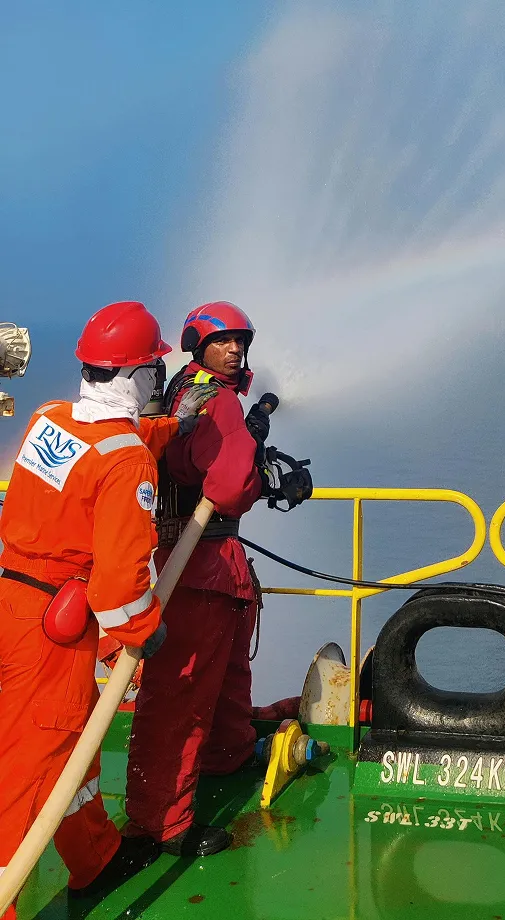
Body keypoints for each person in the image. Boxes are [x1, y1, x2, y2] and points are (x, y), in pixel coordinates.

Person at [0, 301, 214, 916]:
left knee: (73, 751)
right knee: (28, 760)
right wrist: (144, 631)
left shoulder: (52, 418)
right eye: (154, 372)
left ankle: (94, 855)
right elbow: (119, 589)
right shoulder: (127, 464)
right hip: (52, 631)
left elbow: (109, 440)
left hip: (15, 598)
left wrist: (176, 424)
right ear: (141, 375)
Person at [124, 302, 266, 858]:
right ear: (198, 344)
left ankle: (227, 752)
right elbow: (231, 487)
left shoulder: (184, 388)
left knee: (225, 669)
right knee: (181, 692)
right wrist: (257, 460)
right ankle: (163, 822)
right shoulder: (224, 401)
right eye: (224, 341)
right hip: (203, 562)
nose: (236, 350)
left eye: (240, 342)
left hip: (182, 555)